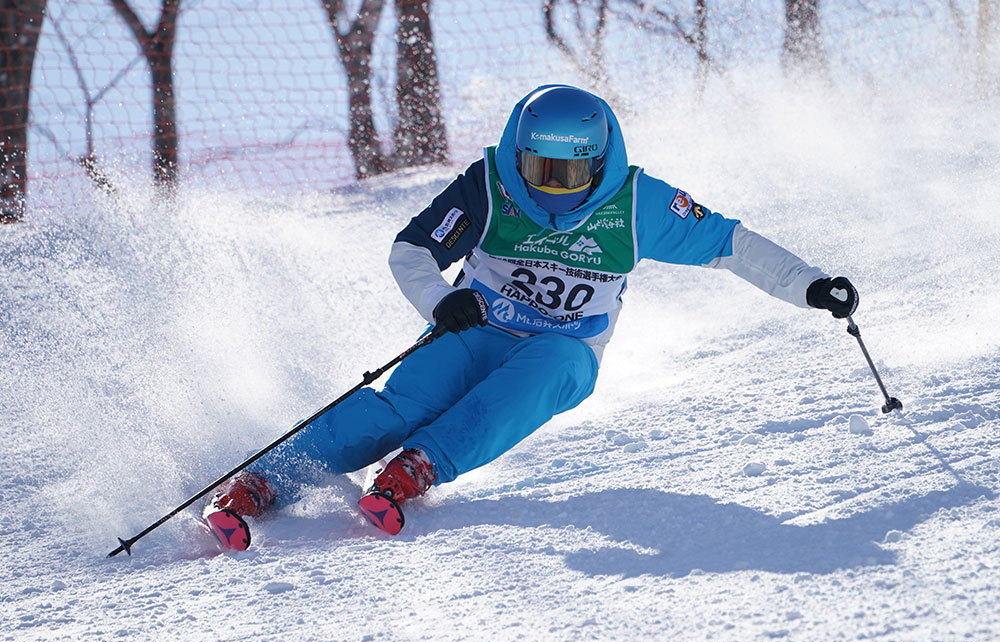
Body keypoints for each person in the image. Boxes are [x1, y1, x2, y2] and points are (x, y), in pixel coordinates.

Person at [202, 84, 859, 547]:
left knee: (530, 384)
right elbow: (411, 249)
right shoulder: (492, 185)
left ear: (598, 166)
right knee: (398, 405)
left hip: (563, 345)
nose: (549, 187)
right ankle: (266, 478)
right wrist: (440, 299)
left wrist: (812, 286)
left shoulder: (636, 204)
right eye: (538, 169)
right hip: (475, 327)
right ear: (518, 153)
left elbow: (731, 245)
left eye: (568, 175)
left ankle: (419, 468)